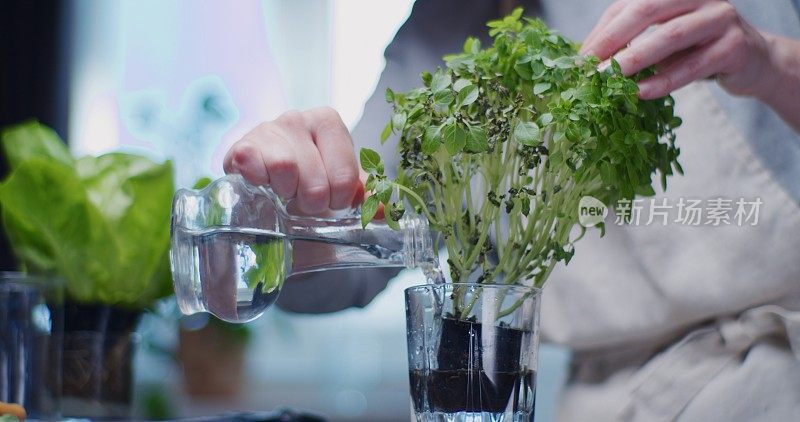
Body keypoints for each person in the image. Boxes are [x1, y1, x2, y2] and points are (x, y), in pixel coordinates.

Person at [224, 1, 800, 420]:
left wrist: (774, 64)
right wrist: (290, 210)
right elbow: (350, 259)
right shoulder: (445, 31)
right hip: (622, 406)